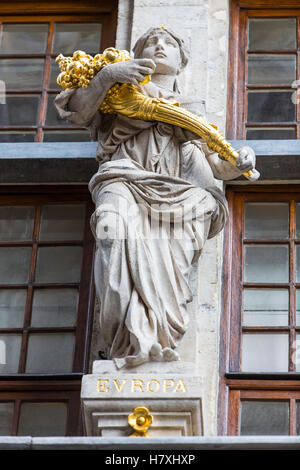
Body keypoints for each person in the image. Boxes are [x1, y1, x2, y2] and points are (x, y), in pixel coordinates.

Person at [55, 26, 255, 369]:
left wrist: (241, 160)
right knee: (112, 235)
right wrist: (106, 76)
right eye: (151, 42)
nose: (160, 46)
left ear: (182, 60)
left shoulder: (192, 108)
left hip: (179, 198)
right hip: (122, 179)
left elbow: (217, 166)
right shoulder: (118, 91)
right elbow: (77, 110)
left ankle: (153, 340)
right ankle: (124, 342)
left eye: (169, 42)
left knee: (171, 266)